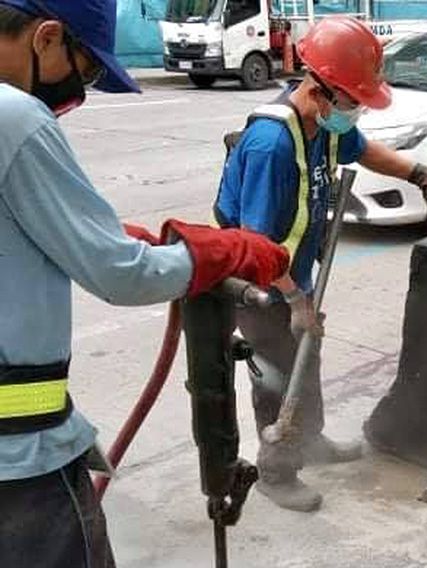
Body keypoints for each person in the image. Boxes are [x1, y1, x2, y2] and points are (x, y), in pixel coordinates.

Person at [0, 1, 292, 567]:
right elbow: (122, 274)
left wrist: (95, 233)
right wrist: (222, 251)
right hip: (18, 469)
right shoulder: (14, 117)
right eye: (84, 72)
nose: (78, 94)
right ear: (47, 38)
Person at [214, 16, 427, 513]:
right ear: (320, 91)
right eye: (352, 101)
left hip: (294, 275)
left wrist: (419, 171)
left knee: (306, 355)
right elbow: (256, 243)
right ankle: (277, 472)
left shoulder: (320, 126)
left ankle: (310, 441)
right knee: (277, 375)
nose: (356, 111)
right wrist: (295, 299)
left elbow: (364, 150)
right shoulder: (273, 145)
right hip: (258, 286)